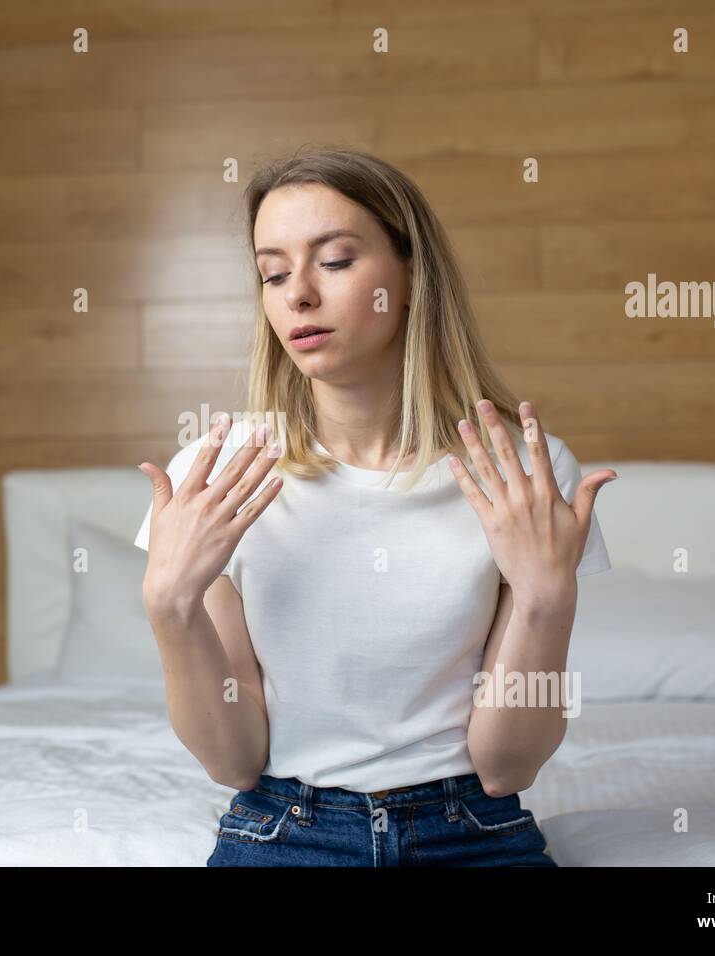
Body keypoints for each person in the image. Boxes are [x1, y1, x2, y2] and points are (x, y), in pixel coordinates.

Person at [133, 147, 616, 866]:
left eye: (333, 262)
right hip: (282, 827)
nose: (296, 294)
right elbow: (235, 761)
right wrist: (171, 608)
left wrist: (548, 599)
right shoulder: (222, 474)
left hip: (472, 829)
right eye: (272, 272)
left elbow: (507, 768)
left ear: (412, 275)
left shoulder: (519, 471)